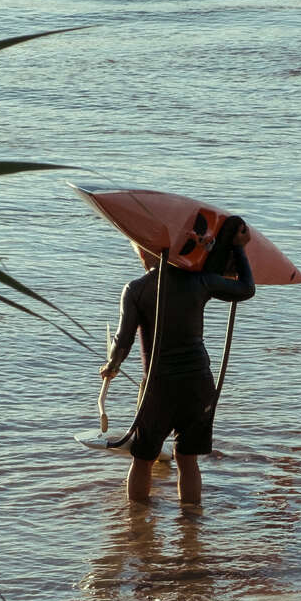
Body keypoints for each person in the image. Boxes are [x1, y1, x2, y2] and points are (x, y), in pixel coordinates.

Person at [101, 216, 256, 504]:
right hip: (199, 385)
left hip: (158, 389)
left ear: (143, 251)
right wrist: (239, 248)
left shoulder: (135, 289)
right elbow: (247, 289)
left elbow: (123, 342)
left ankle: (137, 530)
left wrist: (112, 365)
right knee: (187, 459)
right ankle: (192, 530)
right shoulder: (199, 281)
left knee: (143, 459)